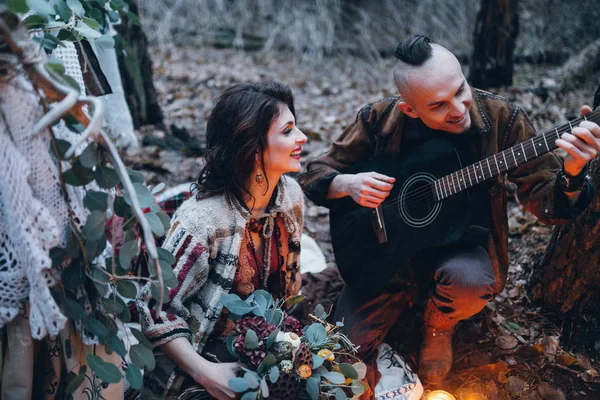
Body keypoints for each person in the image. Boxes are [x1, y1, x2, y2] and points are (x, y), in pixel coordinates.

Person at [298, 34, 600, 392]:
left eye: (460, 90)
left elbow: (547, 206)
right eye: (438, 105)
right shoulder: (379, 119)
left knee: (471, 281)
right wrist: (346, 184)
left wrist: (574, 172)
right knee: (336, 355)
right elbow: (314, 174)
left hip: (460, 247)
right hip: (385, 255)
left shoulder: (501, 119)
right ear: (410, 109)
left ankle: (438, 328)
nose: (457, 109)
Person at [136, 82, 307, 400]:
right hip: (196, 360)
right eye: (287, 131)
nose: (302, 138)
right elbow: (153, 308)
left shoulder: (291, 197)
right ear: (253, 147)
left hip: (262, 352)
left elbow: (288, 293)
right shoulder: (203, 220)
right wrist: (205, 372)